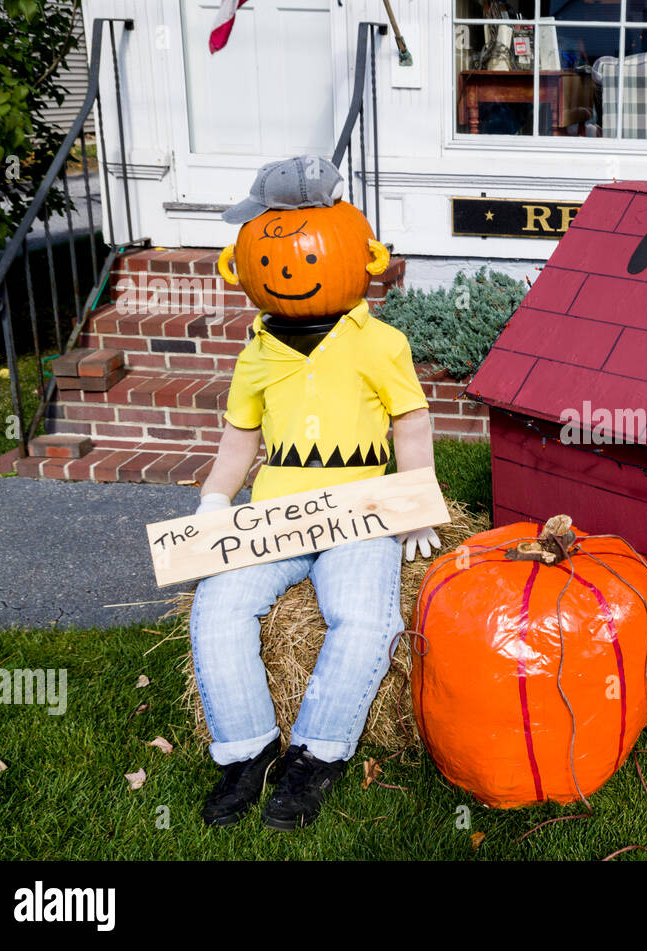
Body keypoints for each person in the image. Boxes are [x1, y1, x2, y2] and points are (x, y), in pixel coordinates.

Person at [190, 155, 440, 830]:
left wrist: (418, 498)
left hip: (360, 514)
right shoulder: (255, 353)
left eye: (308, 251)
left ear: (363, 257)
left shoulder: (380, 343)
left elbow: (411, 425)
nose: (288, 264)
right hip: (275, 515)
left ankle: (317, 755)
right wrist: (217, 500)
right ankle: (247, 751)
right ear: (239, 266)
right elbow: (240, 443)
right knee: (217, 605)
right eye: (267, 255)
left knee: (366, 619)